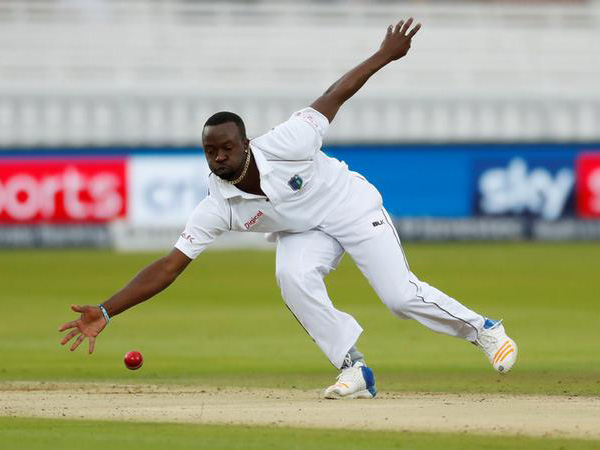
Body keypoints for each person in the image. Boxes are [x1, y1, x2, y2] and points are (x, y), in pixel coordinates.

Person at [59, 18, 518, 399]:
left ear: (245, 143)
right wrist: (107, 309)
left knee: (398, 297)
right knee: (291, 277)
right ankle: (353, 368)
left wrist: (385, 53)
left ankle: (484, 329)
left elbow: (336, 93)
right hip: (303, 230)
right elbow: (169, 267)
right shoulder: (217, 204)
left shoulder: (288, 141)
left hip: (350, 206)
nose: (219, 158)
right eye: (209, 152)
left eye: (226, 148)